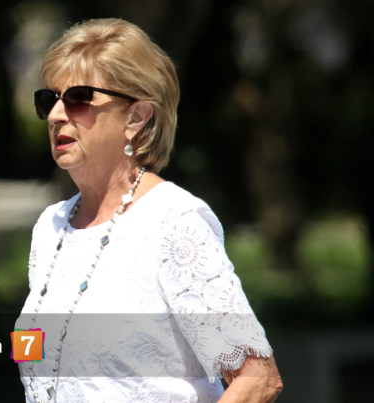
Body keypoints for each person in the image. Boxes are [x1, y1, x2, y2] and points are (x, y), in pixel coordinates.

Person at [16, 19, 282, 402]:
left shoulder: (172, 221)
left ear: (136, 117)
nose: (57, 114)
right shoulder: (50, 227)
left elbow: (258, 379)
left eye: (77, 98)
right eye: (49, 100)